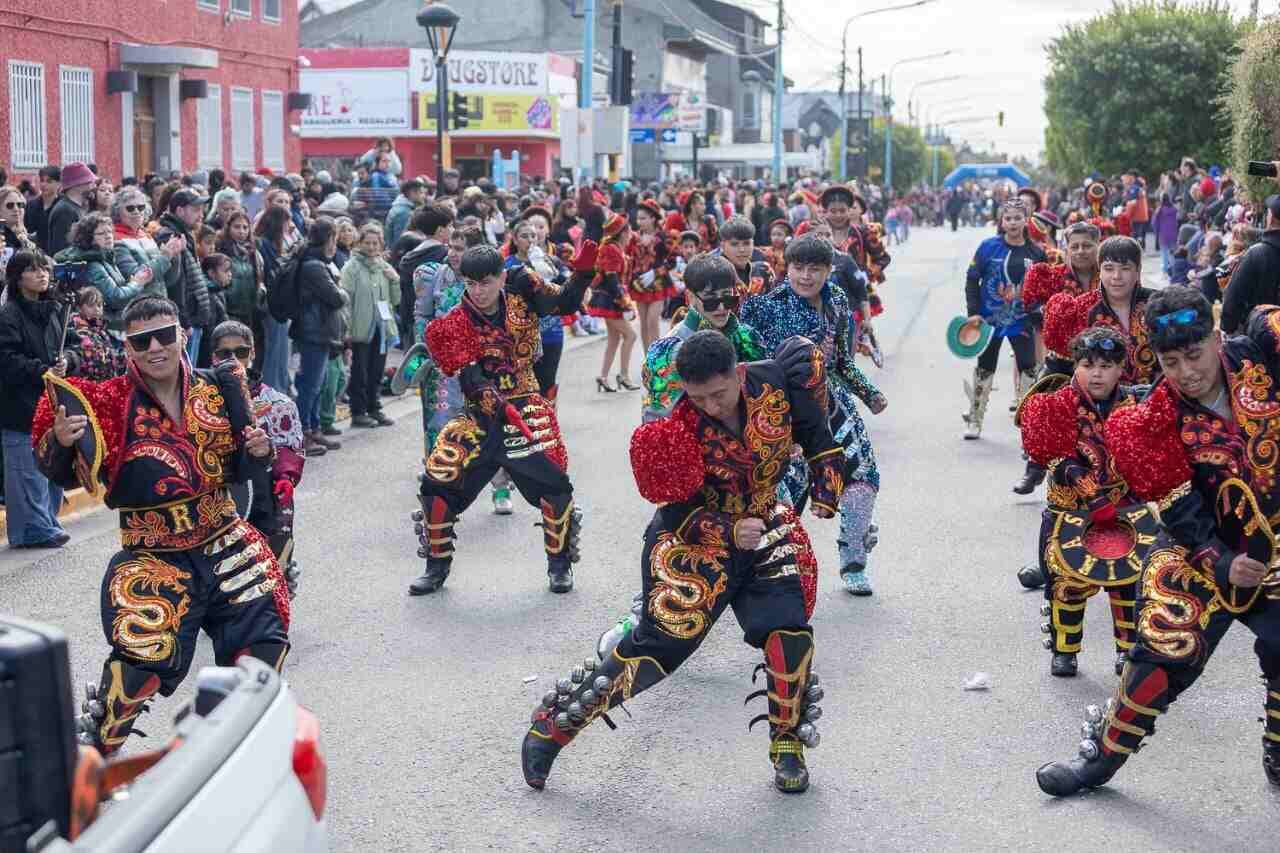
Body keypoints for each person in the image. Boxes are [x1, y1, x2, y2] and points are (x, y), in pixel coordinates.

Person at [520, 331, 841, 794]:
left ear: (738, 373)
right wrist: (728, 530)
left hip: (764, 524)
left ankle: (787, 746)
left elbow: (815, 430)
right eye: (698, 397)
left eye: (719, 394)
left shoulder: (779, 381)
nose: (710, 406)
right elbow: (673, 512)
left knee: (788, 631)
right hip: (694, 540)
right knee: (658, 649)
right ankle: (555, 726)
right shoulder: (675, 429)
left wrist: (827, 474)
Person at [1036, 287, 1280, 797]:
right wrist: (1220, 562)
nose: (1186, 372)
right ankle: (1099, 760)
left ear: (1216, 338)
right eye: (1171, 362)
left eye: (1194, 355)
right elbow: (1179, 508)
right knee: (1161, 654)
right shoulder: (1148, 418)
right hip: (1203, 549)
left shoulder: (1265, 352)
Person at [32, 296, 289, 755]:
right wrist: (59, 440)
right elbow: (63, 471)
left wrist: (260, 451)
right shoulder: (108, 403)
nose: (155, 348)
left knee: (262, 651)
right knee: (139, 666)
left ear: (182, 336)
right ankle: (96, 755)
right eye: (141, 341)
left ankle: (236, 750)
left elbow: (245, 467)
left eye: (164, 336)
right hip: (154, 553)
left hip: (225, 538)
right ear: (127, 348)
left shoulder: (220, 387)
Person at [409, 243, 594, 596]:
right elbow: (469, 377)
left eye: (486, 283)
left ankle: (559, 566)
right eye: (470, 283)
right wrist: (490, 398)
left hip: (526, 405)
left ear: (502, 277)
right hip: (479, 416)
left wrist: (583, 274)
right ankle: (436, 567)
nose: (477, 291)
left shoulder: (525, 293)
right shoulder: (456, 321)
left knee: (554, 481)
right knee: (438, 479)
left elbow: (566, 303)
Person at [742, 233, 889, 595]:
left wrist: (868, 392)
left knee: (862, 479)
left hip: (835, 406)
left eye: (815, 269)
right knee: (785, 495)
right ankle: (777, 574)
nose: (805, 276)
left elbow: (842, 362)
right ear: (787, 267)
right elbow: (754, 366)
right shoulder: (768, 306)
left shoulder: (837, 300)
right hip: (785, 411)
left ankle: (854, 563)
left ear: (828, 270)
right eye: (798, 267)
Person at [1018, 327, 1145, 677]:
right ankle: (1064, 650)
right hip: (1070, 510)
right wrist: (1090, 493)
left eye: (1106, 365)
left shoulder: (1136, 404)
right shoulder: (1055, 402)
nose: (1097, 374)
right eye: (1088, 365)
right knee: (1066, 582)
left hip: (1122, 507)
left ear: (1121, 369)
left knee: (1126, 581)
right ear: (1076, 365)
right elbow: (1057, 458)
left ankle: (1127, 650)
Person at [210, 320, 304, 598]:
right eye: (225, 353)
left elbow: (290, 447)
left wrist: (285, 477)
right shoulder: (198, 402)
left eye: (240, 352)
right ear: (213, 357)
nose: (233, 359)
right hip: (217, 500)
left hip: (266, 496)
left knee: (270, 571)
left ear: (252, 353)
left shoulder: (278, 404)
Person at [1013, 221, 1103, 496]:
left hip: (1102, 361)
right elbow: (1031, 308)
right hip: (1061, 360)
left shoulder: (1110, 275)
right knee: (1043, 407)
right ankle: (1034, 468)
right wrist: (1053, 314)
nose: (1081, 251)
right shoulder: (1052, 277)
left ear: (1098, 246)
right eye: (1075, 246)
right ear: (1066, 248)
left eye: (1087, 245)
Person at [641, 252, 765, 422]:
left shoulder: (748, 338)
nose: (721, 307)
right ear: (691, 297)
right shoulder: (669, 352)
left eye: (728, 297)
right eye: (711, 299)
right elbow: (658, 418)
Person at [0, 252, 70, 548]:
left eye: (45, 268)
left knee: (50, 465)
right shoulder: (8, 314)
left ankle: (47, 522)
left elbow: (73, 344)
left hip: (52, 402)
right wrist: (42, 371)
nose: (42, 274)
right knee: (25, 471)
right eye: (33, 270)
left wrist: (68, 361)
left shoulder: (55, 309)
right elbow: (7, 359)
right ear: (18, 278)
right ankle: (32, 530)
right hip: (21, 404)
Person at [961, 199, 1046, 439]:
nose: (1012, 223)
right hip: (989, 322)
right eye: (1008, 218)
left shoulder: (1037, 253)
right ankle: (975, 419)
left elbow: (1044, 287)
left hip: (1021, 321)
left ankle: (1028, 423)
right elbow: (972, 280)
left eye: (1018, 218)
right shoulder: (988, 247)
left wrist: (1039, 313)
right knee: (985, 367)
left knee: (1029, 368)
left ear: (1026, 220)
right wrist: (973, 312)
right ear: (1001, 220)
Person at [290, 219, 347, 456]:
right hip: (312, 333)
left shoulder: (318, 262)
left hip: (319, 333)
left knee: (317, 385)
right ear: (327, 238)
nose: (335, 244)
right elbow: (336, 298)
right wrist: (342, 291)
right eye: (334, 238)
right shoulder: (314, 265)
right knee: (309, 387)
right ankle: (302, 433)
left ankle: (314, 429)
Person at [340, 224, 400, 428]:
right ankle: (358, 412)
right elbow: (345, 301)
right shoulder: (352, 267)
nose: (371, 247)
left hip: (381, 328)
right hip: (360, 329)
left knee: (377, 371)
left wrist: (395, 280)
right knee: (360, 372)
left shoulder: (384, 266)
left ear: (381, 244)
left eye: (375, 243)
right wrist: (347, 330)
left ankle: (374, 408)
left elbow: (395, 300)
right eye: (367, 242)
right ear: (359, 243)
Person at [61, 214, 156, 331]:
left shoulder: (105, 257)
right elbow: (116, 298)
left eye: (109, 232)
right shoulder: (93, 265)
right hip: (106, 328)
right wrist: (137, 283)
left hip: (113, 325)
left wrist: (132, 283)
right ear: (88, 238)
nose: (108, 236)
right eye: (101, 233)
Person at [157, 189, 213, 363]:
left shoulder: (184, 233)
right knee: (184, 372)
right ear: (180, 210)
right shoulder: (170, 236)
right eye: (196, 210)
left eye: (202, 210)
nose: (201, 215)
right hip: (185, 321)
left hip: (193, 318)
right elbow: (175, 283)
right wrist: (184, 321)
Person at [586, 212, 640, 393]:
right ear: (623, 232)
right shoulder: (612, 249)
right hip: (610, 300)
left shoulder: (615, 248)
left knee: (614, 339)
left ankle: (603, 377)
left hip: (611, 298)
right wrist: (624, 301)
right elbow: (611, 278)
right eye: (629, 230)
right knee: (631, 336)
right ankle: (623, 376)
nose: (631, 234)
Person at [1219, 193, 1280, 334]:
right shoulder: (1258, 252)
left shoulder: (1257, 254)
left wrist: (1227, 330)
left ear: (1271, 218)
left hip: (1261, 335)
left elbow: (1233, 298)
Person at [255, 206, 295, 397]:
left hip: (278, 305)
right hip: (272, 306)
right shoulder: (263, 244)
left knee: (279, 352)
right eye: (287, 221)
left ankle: (278, 389)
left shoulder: (274, 243)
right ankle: (272, 393)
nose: (290, 225)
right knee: (274, 352)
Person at [627, 199, 674, 355]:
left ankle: (657, 357)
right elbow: (630, 259)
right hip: (639, 284)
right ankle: (648, 358)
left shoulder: (663, 236)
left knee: (652, 320)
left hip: (658, 283)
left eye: (643, 218)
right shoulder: (634, 237)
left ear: (653, 218)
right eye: (638, 218)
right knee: (644, 324)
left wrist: (655, 272)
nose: (639, 222)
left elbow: (672, 260)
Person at [64, 287, 127, 381]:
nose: (96, 309)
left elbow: (109, 358)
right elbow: (75, 355)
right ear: (79, 308)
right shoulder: (74, 329)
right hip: (83, 384)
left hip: (104, 384)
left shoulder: (101, 332)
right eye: (91, 305)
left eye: (99, 305)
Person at [46, 162, 97, 257]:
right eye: (90, 182)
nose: (94, 186)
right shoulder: (65, 211)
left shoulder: (73, 208)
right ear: (77, 184)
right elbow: (63, 251)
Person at [718, 215, 774, 299]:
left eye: (747, 243)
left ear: (753, 243)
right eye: (734, 244)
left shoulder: (764, 271)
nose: (742, 249)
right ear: (723, 246)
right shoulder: (713, 275)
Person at [24, 166, 60, 253]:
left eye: (49, 181)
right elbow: (27, 229)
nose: (43, 184)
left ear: (59, 183)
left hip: (57, 252)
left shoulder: (63, 205)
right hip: (35, 252)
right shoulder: (31, 205)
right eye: (42, 181)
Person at [0, 185, 38, 257]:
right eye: (10, 205)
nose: (16, 209)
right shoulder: (2, 237)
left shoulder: (26, 236)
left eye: (19, 205)